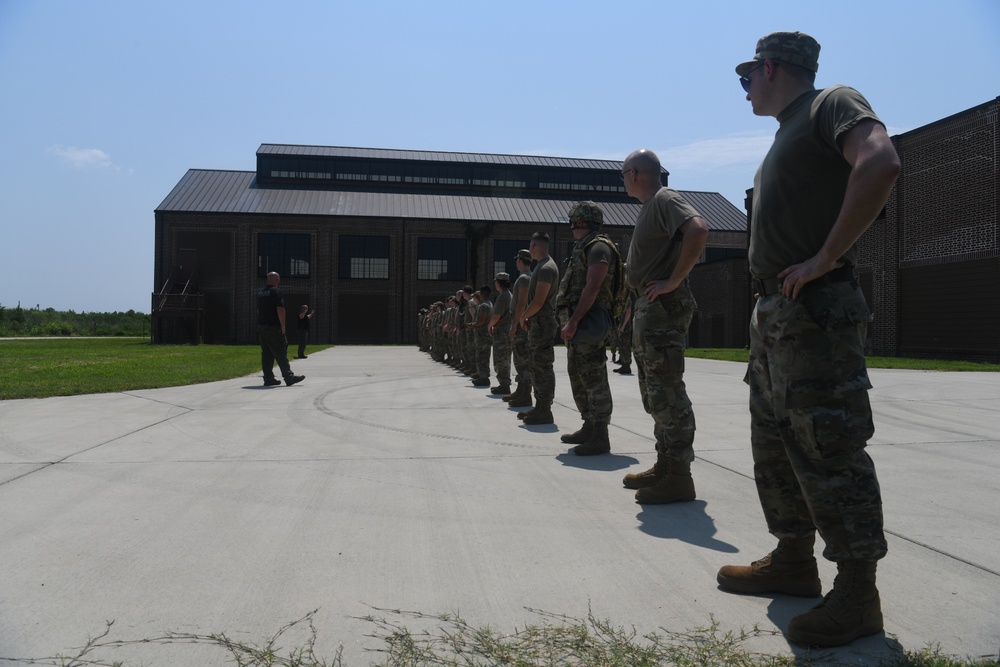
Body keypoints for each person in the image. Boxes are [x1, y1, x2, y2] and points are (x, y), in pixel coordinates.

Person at [717, 32, 900, 649]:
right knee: (773, 442)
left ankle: (857, 593)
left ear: (770, 68)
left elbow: (880, 162)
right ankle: (794, 558)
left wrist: (825, 257)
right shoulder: (786, 131)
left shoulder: (831, 104)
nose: (744, 90)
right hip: (777, 315)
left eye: (747, 79)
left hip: (814, 311)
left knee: (830, 446)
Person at [619, 149, 708, 503]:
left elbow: (698, 229)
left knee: (667, 393)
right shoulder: (650, 206)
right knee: (655, 393)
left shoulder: (665, 198)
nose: (623, 179)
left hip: (663, 308)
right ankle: (664, 464)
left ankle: (679, 476)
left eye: (624, 172)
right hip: (648, 306)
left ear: (636, 173)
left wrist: (673, 281)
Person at [556, 201, 623, 455]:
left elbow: (593, 286)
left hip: (590, 321)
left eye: (574, 221)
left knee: (594, 379)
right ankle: (589, 426)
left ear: (583, 221)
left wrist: (574, 321)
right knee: (579, 375)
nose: (571, 226)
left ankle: (600, 435)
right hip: (580, 321)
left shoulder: (598, 247)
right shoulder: (585, 246)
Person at [517, 232, 559, 425]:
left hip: (542, 323)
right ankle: (540, 406)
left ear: (533, 246)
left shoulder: (546, 268)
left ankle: (545, 409)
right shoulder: (543, 266)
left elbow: (539, 301)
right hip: (538, 322)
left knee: (542, 366)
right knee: (537, 364)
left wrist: (524, 315)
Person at [256, 272, 304, 387]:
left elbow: (259, 310)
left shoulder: (260, 293)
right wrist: (283, 326)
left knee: (266, 353)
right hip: (274, 328)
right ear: (277, 280)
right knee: (281, 351)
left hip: (262, 328)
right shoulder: (276, 292)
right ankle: (289, 377)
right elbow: (280, 309)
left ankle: (268, 378)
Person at [504, 250, 534, 406]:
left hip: (522, 325)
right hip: (526, 323)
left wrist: (514, 324)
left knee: (521, 359)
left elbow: (521, 304)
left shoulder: (523, 278)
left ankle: (525, 395)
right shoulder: (531, 276)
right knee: (522, 359)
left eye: (517, 260)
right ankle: (521, 391)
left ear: (520, 261)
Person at [489, 272, 513, 396]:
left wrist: (490, 325)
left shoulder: (503, 296)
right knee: (506, 358)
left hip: (501, 331)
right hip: (507, 330)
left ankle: (504, 384)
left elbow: (496, 315)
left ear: (498, 283)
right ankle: (504, 383)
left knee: (500, 359)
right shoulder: (509, 295)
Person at [471, 286, 493, 386]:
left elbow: (481, 321)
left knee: (482, 357)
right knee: (483, 356)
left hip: (482, 336)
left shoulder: (484, 305)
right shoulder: (488, 303)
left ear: (483, 295)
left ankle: (483, 378)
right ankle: (482, 375)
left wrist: (471, 325)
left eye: (480, 294)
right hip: (483, 336)